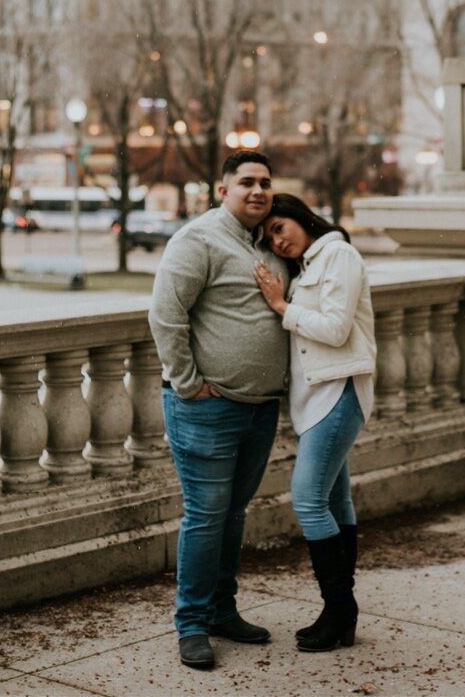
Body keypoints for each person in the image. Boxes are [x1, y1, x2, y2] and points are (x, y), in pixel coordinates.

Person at [149, 151, 288, 671]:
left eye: (265, 183)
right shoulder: (198, 239)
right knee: (207, 516)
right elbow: (165, 314)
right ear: (222, 189)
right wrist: (188, 383)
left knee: (232, 515)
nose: (257, 191)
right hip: (207, 408)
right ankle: (190, 625)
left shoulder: (267, 245)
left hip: (258, 408)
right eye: (246, 182)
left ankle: (222, 611)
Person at [252, 193, 376, 652]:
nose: (277, 240)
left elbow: (336, 328)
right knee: (335, 499)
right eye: (269, 237)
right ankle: (340, 612)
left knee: (307, 500)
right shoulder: (307, 264)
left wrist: (282, 307)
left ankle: (340, 608)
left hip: (338, 389)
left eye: (279, 227)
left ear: (301, 218)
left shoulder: (338, 253)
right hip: (315, 396)